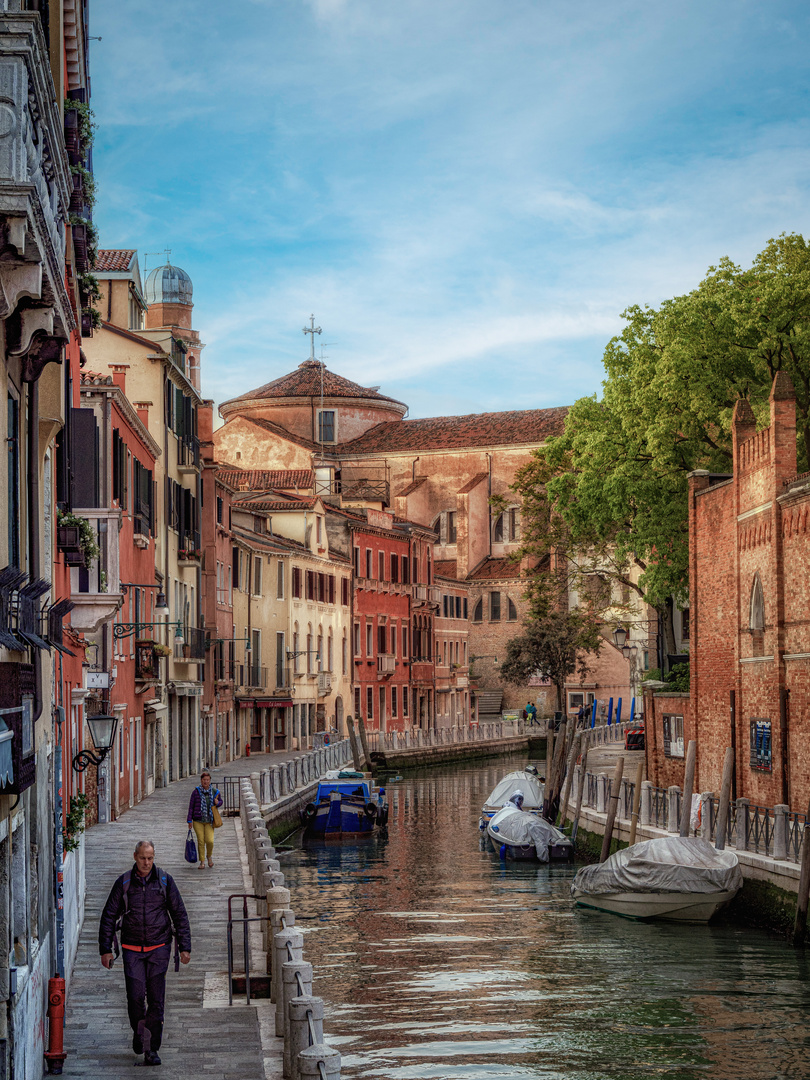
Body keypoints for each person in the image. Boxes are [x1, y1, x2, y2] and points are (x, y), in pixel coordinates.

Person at [99, 840, 191, 1066]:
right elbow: (109, 915)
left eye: (150, 858)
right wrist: (105, 949)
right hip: (132, 950)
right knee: (136, 998)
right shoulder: (124, 883)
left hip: (159, 948)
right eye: (143, 858)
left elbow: (179, 914)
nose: (147, 862)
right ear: (135, 856)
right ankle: (139, 1033)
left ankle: (151, 1049)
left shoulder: (165, 881)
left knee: (157, 1002)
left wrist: (185, 946)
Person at [187, 770, 223, 869]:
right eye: (204, 780)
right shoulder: (196, 792)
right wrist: (189, 820)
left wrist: (217, 803)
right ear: (201, 781)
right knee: (201, 841)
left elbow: (220, 801)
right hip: (197, 820)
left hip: (210, 821)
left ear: (210, 781)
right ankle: (202, 861)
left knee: (210, 840)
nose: (205, 782)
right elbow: (191, 806)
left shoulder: (215, 792)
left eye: (207, 780)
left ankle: (209, 856)